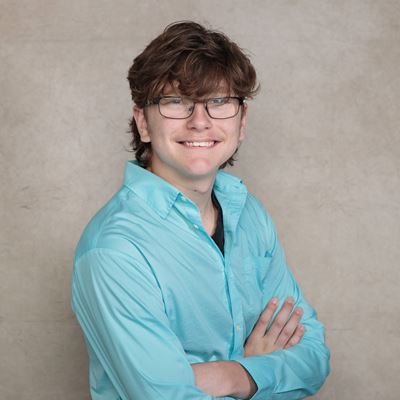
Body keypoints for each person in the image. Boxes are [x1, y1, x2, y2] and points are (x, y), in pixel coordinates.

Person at [71, 21, 330, 400]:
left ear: (242, 122)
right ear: (143, 122)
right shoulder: (115, 251)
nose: (200, 121)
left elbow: (314, 357)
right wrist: (265, 372)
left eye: (219, 101)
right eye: (176, 102)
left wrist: (233, 374)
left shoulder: (250, 214)